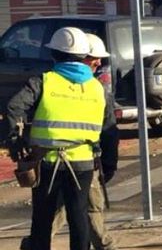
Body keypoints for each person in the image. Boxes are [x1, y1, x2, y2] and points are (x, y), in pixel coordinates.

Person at [5, 27, 117, 250]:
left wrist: (17, 143)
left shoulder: (43, 82)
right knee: (79, 219)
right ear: (84, 55)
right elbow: (110, 131)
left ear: (54, 54)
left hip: (46, 163)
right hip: (83, 164)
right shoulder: (98, 89)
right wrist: (109, 163)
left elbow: (14, 107)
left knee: (43, 221)